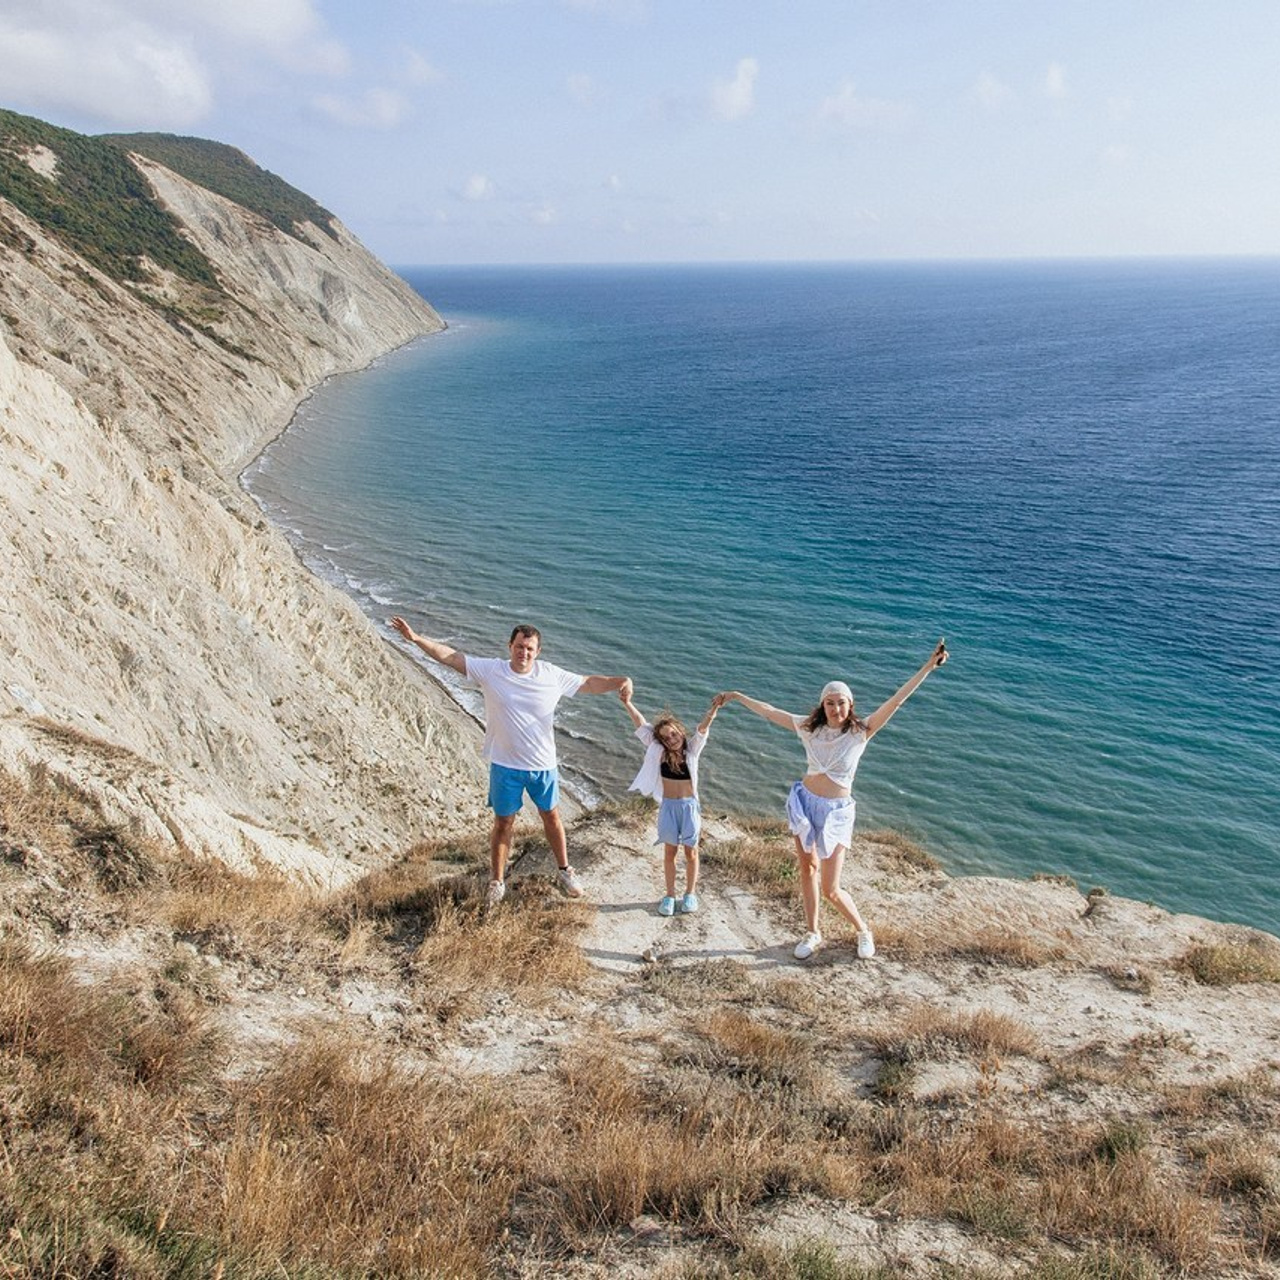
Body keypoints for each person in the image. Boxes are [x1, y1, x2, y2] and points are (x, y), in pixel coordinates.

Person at [719, 639, 948, 961]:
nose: (835, 708)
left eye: (841, 703)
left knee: (831, 888)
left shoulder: (861, 732)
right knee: (807, 870)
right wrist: (737, 696)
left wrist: (927, 667)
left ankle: (862, 930)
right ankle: (813, 932)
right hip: (804, 803)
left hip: (836, 813)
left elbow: (896, 701)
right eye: (830, 703)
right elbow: (770, 712)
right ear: (822, 705)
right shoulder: (808, 729)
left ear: (850, 705)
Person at [389, 617, 632, 906]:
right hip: (505, 765)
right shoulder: (492, 670)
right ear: (510, 646)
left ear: (538, 651)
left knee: (552, 817)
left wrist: (621, 681)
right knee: (503, 823)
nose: (523, 653)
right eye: (519, 647)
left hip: (543, 766)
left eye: (529, 648)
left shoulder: (551, 675)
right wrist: (416, 639)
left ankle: (565, 871)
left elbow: (588, 683)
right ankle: (497, 881)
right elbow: (452, 657)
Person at [620, 688, 723, 917]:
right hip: (668, 807)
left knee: (691, 853)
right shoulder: (658, 752)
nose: (672, 740)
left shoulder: (692, 751)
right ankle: (669, 895)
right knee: (669, 853)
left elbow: (703, 729)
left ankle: (690, 894)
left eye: (674, 734)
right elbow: (641, 725)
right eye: (666, 738)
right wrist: (627, 703)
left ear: (681, 732)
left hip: (689, 807)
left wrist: (714, 709)